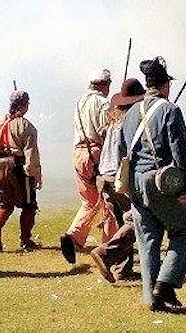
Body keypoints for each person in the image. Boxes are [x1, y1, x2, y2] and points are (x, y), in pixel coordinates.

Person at [119, 57, 186, 311]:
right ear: (165, 85)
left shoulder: (130, 113)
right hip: (161, 183)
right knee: (182, 231)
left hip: (136, 184)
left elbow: (123, 151)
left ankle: (151, 299)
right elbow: (180, 151)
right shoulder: (170, 110)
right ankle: (165, 285)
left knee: (148, 241)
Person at [91, 78, 146, 283]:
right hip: (118, 177)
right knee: (136, 219)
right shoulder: (132, 122)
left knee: (122, 222)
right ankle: (106, 253)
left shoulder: (113, 121)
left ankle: (122, 271)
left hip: (104, 177)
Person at [60, 68, 111, 265]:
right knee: (108, 202)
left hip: (78, 153)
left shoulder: (80, 102)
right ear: (104, 84)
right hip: (96, 154)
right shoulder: (103, 103)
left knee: (89, 201)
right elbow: (106, 132)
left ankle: (73, 236)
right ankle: (109, 246)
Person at [0, 90, 42, 252]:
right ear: (23, 105)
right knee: (29, 205)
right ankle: (25, 241)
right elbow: (31, 154)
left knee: (5, 203)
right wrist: (35, 175)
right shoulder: (25, 125)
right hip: (17, 167)